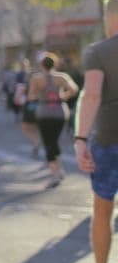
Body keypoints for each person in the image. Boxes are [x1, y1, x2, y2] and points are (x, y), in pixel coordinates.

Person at [74, 0, 118, 263]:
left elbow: (91, 95)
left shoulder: (98, 52)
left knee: (103, 210)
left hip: (108, 138)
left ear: (109, 17)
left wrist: (80, 140)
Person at [27, 52, 79, 188]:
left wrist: (41, 96)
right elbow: (74, 89)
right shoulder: (61, 77)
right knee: (54, 141)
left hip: (44, 112)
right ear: (55, 64)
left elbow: (31, 96)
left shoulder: (36, 78)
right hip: (60, 112)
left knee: (48, 142)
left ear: (41, 65)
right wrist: (63, 96)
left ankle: (54, 174)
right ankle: (59, 169)